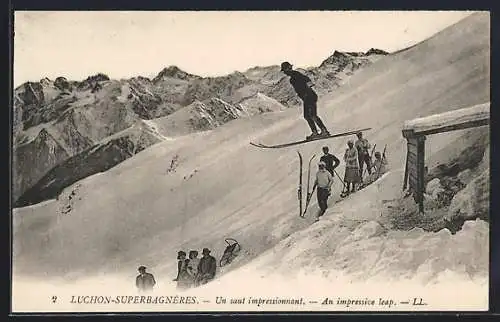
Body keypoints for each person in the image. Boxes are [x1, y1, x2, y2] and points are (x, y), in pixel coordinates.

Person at [281, 61, 330, 140]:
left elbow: (306, 79)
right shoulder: (293, 77)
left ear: (288, 69)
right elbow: (306, 81)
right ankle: (317, 132)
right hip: (307, 97)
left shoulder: (295, 75)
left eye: (284, 70)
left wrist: (307, 90)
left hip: (309, 97)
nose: (284, 73)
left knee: (312, 115)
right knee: (308, 116)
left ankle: (322, 131)